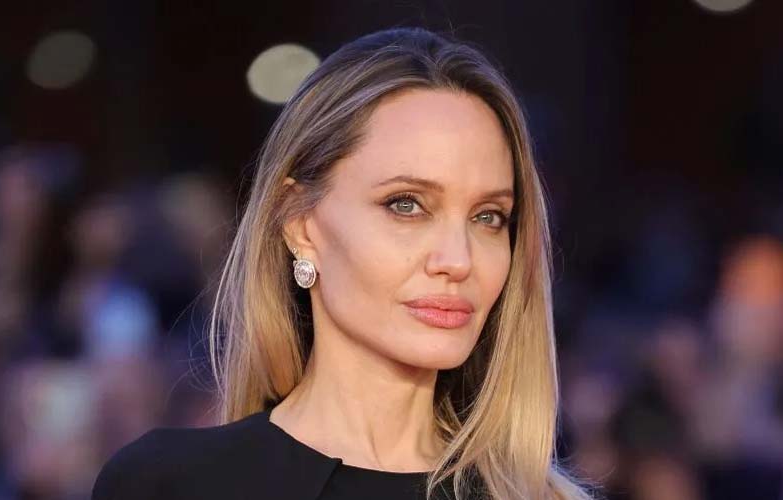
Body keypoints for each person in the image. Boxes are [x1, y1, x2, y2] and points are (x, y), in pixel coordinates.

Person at [91, 26, 595, 500]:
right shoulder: (171, 484)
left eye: (488, 217)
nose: (458, 260)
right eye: (406, 205)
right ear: (300, 224)